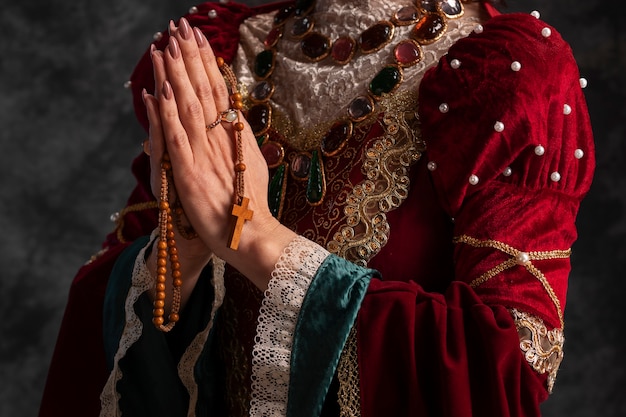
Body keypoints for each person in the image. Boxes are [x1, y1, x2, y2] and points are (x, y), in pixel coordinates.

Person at [39, 0, 595, 416]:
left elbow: (507, 372)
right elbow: (101, 307)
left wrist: (256, 239)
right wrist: (181, 245)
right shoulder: (218, 53)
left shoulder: (503, 75)